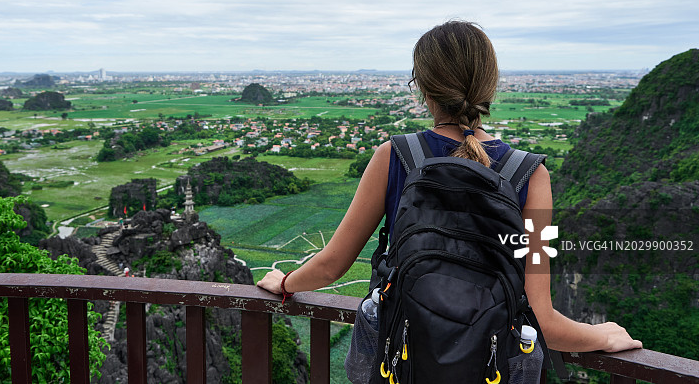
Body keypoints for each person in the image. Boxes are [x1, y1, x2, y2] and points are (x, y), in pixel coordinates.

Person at [257, 20, 642, 354]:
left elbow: (331, 265)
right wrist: (603, 337)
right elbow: (542, 318)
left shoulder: (394, 156)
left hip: (402, 358)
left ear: (421, 88)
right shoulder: (530, 175)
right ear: (489, 87)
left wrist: (286, 283)